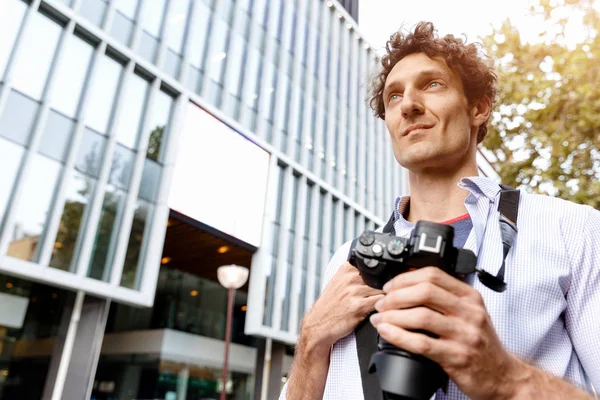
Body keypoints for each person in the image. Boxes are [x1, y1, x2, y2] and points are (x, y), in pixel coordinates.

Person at [279, 22, 600, 400]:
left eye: (432, 84)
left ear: (478, 108)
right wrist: (311, 340)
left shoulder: (573, 229)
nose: (409, 105)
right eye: (393, 96)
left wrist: (508, 379)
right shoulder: (345, 262)